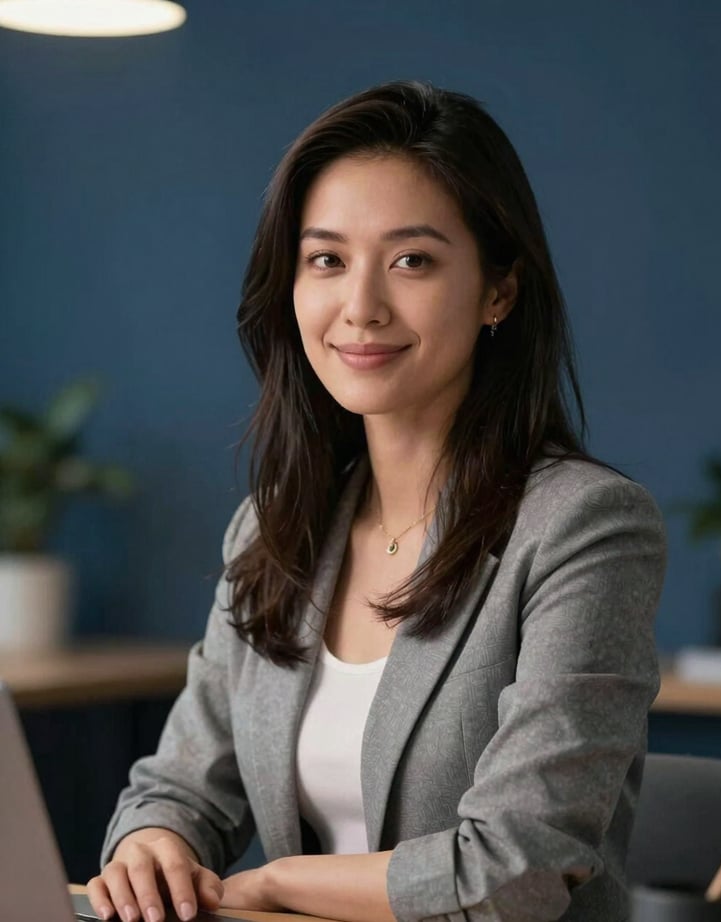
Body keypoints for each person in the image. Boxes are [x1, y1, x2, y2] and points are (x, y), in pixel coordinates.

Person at [87, 81, 666, 922]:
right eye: (327, 260)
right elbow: (179, 788)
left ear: (499, 291)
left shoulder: (584, 527)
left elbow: (516, 869)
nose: (360, 308)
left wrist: (277, 883)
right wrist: (153, 846)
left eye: (411, 261)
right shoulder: (272, 527)